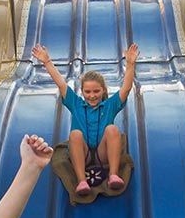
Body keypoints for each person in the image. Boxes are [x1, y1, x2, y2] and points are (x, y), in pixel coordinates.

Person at [31, 42, 138, 196]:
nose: (92, 95)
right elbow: (61, 84)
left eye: (96, 91)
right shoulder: (76, 104)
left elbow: (126, 88)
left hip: (104, 154)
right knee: (75, 134)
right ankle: (82, 181)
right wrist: (47, 62)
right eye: (87, 91)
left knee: (112, 129)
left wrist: (130, 64)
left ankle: (113, 175)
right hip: (83, 154)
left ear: (103, 90)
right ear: (82, 91)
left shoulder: (110, 105)